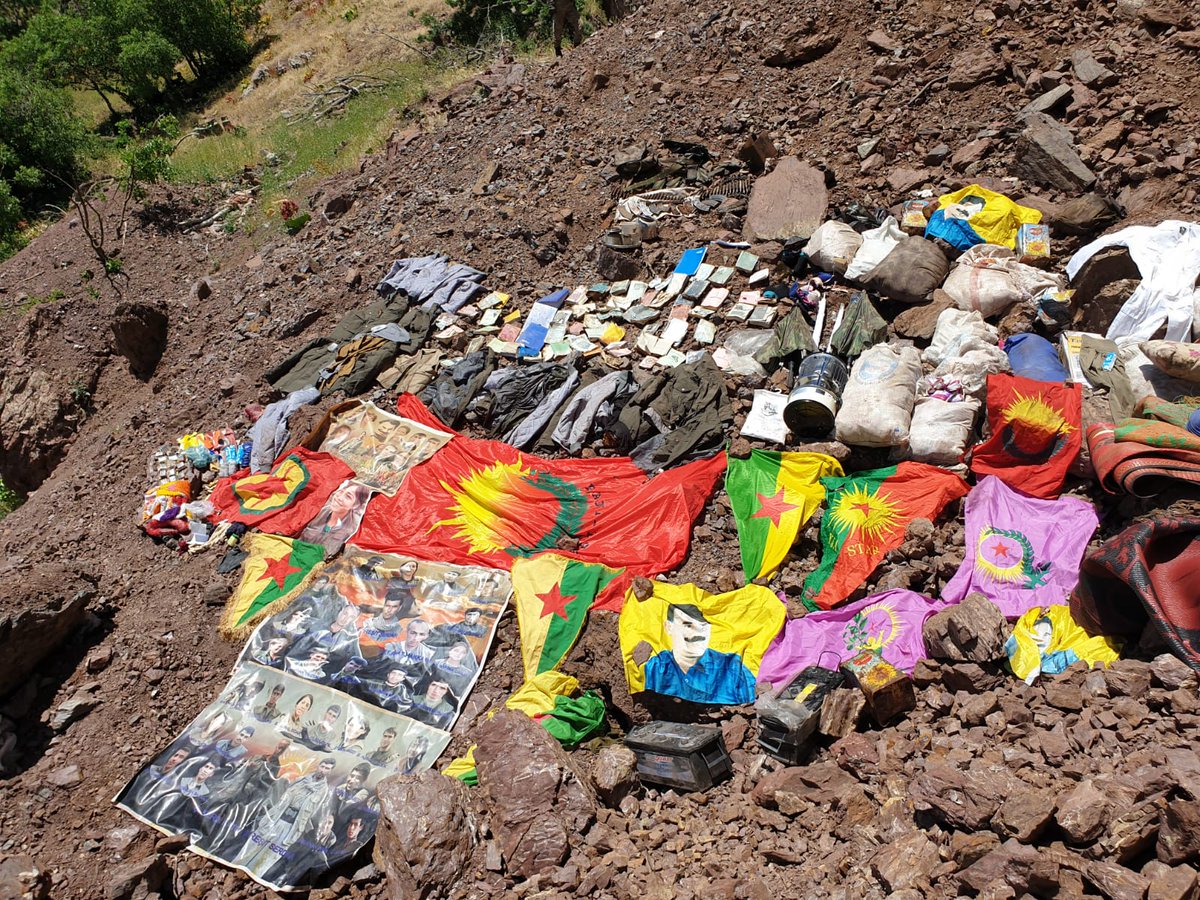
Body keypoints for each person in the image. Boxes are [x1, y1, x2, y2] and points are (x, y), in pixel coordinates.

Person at [235, 757, 338, 880]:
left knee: (270, 855)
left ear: (330, 772)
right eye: (322, 766)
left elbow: (315, 814)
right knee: (254, 843)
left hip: (291, 827)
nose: (323, 770)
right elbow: (282, 797)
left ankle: (252, 877)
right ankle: (235, 867)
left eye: (327, 768)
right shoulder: (301, 780)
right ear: (318, 766)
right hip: (276, 818)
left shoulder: (324, 792)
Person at [641, 604, 757, 705]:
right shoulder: (655, 667)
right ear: (669, 627)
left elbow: (754, 701)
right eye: (688, 626)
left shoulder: (733, 669)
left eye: (703, 627)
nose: (698, 634)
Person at [262, 811, 337, 888]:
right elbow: (300, 848)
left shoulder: (332, 840)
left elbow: (326, 861)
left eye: (329, 823)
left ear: (333, 825)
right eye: (324, 821)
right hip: (296, 861)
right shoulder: (312, 832)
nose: (325, 825)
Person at [150, 757, 220, 838]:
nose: (206, 770)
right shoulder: (180, 780)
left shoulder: (206, 792)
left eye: (210, 768)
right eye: (206, 766)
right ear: (200, 768)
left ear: (211, 774)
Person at [293, 603, 362, 668]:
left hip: (323, 671)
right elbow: (297, 636)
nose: (345, 618)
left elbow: (359, 660)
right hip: (297, 662)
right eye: (345, 613)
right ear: (340, 611)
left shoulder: (350, 639)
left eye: (351, 617)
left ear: (354, 620)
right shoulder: (316, 625)